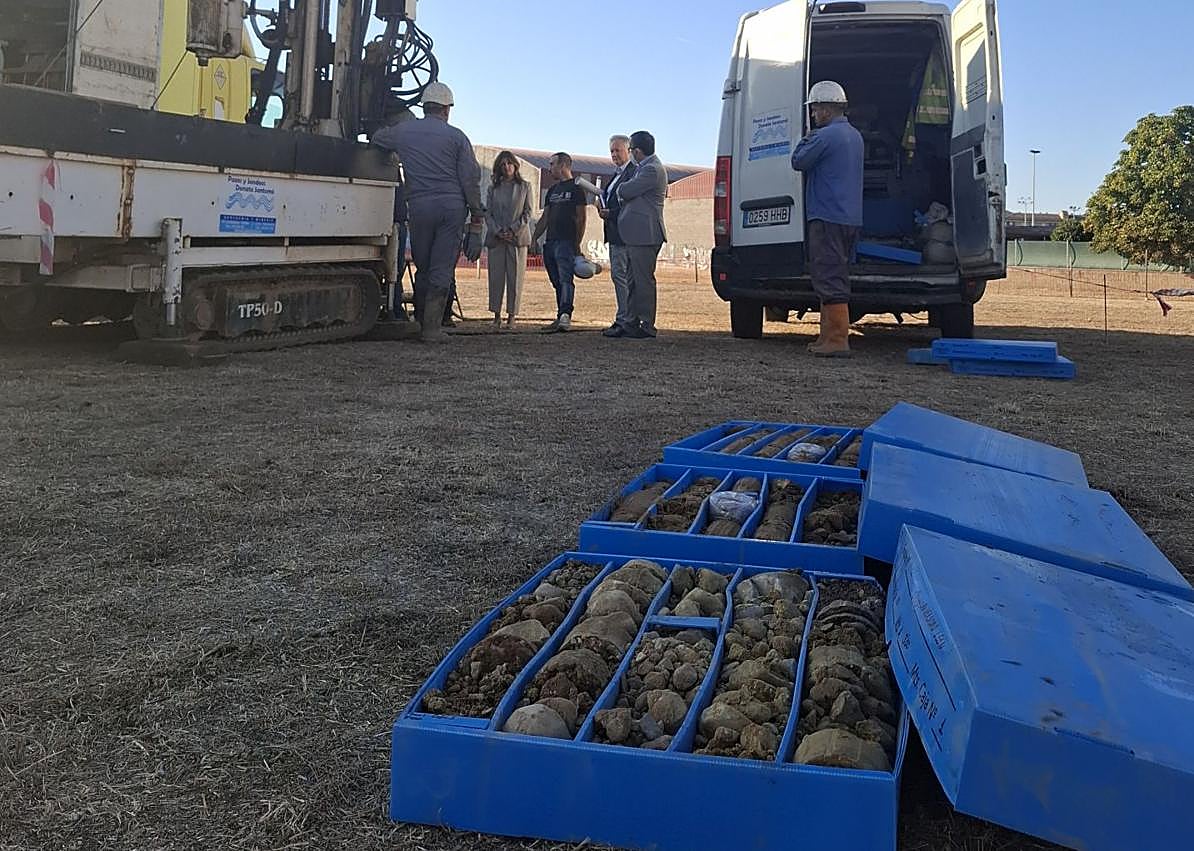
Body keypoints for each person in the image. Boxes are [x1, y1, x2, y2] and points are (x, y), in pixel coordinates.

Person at [370, 81, 484, 343]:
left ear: (424, 107)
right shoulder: (457, 137)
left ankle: (422, 323)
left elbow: (378, 138)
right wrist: (477, 216)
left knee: (423, 266)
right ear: (446, 109)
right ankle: (432, 329)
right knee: (441, 267)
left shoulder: (404, 131)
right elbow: (470, 179)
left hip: (420, 208)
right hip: (451, 209)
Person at [790, 80, 864, 358]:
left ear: (825, 109)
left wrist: (806, 136)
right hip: (849, 216)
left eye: (815, 109)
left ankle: (836, 338)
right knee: (833, 272)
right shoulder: (854, 135)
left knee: (829, 274)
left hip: (827, 215)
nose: (812, 115)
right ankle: (826, 336)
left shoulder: (825, 136)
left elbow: (798, 160)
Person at [616, 130, 668, 339]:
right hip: (637, 235)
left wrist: (622, 189)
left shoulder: (651, 170)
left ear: (636, 151)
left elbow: (625, 191)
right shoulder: (645, 168)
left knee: (643, 280)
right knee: (632, 280)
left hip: (646, 235)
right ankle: (631, 321)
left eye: (630, 150)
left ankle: (646, 323)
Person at [531, 152, 587, 333]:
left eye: (552, 164)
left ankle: (565, 315)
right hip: (551, 242)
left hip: (566, 242)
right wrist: (534, 238)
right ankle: (560, 316)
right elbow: (545, 217)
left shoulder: (577, 189)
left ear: (563, 165)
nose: (550, 168)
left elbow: (581, 218)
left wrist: (577, 244)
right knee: (556, 281)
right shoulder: (552, 191)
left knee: (565, 279)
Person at [484, 151, 532, 329]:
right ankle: (496, 315)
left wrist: (513, 230)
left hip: (517, 239)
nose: (506, 167)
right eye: (503, 164)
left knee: (515, 279)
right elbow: (487, 213)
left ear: (515, 165)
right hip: (496, 239)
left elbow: (528, 212)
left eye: (509, 163)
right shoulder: (492, 188)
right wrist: (497, 231)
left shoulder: (525, 187)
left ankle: (512, 316)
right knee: (495, 278)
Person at [598, 134, 638, 337]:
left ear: (628, 151)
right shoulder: (615, 175)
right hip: (614, 232)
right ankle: (624, 317)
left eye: (617, 150)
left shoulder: (633, 173)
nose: (614, 154)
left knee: (621, 277)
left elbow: (630, 205)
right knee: (620, 277)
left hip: (624, 234)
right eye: (611, 151)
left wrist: (610, 213)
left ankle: (625, 319)